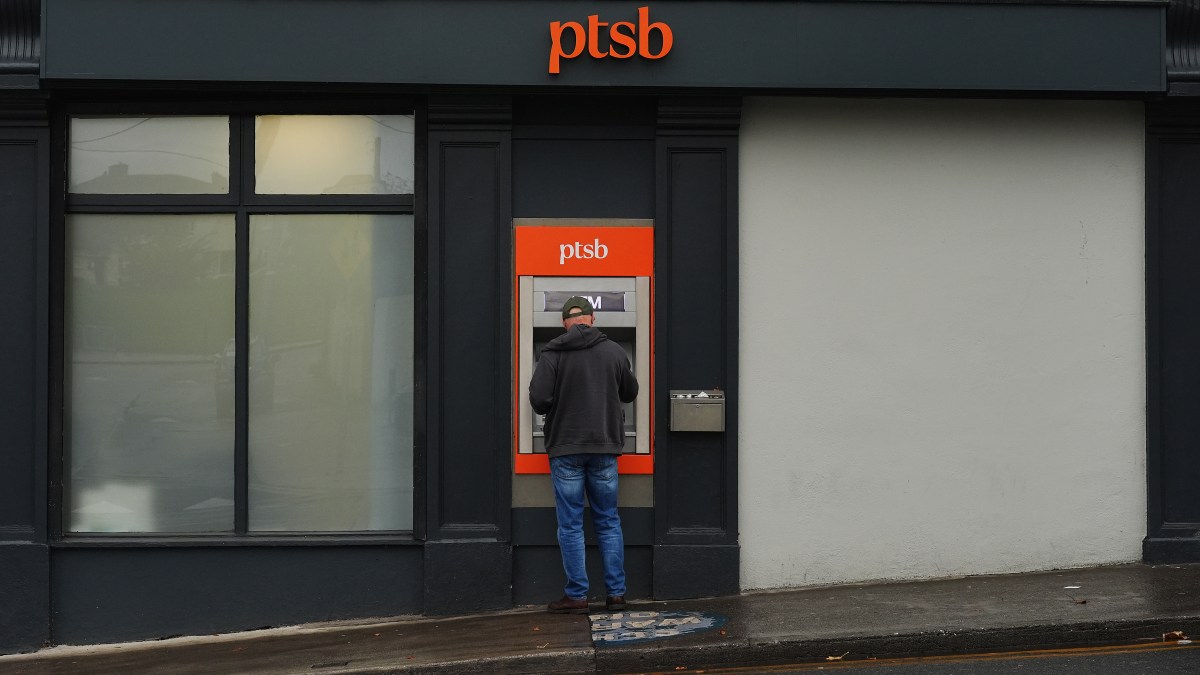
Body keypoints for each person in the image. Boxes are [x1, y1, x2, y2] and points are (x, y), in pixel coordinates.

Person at [529, 295, 639, 614]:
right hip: (604, 446)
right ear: (592, 319)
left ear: (565, 322)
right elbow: (630, 392)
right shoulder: (614, 351)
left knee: (570, 525)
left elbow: (539, 399)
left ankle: (577, 595)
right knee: (608, 520)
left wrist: (560, 403)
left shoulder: (553, 353)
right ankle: (616, 594)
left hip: (566, 447)